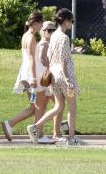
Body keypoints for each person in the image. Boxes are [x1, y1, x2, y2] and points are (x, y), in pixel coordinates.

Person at [29, 8, 82, 146]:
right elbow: (63, 59)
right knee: (72, 106)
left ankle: (35, 127)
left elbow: (52, 56)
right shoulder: (64, 37)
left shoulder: (53, 36)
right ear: (66, 21)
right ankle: (71, 138)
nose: (72, 24)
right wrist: (68, 79)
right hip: (65, 75)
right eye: (71, 21)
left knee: (59, 106)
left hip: (54, 75)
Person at [2, 12, 47, 141]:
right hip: (31, 74)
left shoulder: (25, 35)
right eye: (41, 23)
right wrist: (33, 78)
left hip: (25, 72)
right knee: (39, 105)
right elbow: (32, 58)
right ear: (36, 23)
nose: (42, 27)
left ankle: (10, 124)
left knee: (34, 106)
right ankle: (38, 134)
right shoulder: (31, 37)